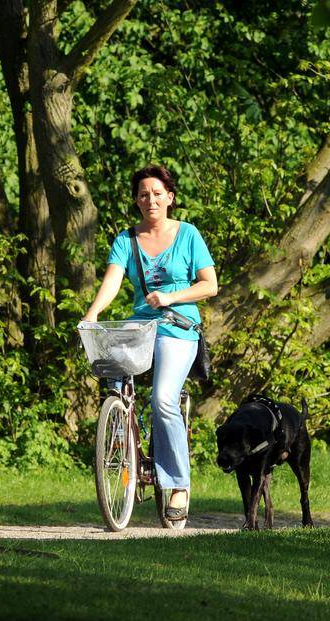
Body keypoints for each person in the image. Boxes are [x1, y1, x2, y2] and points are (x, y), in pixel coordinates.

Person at [81, 164, 218, 521]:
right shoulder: (126, 240)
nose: (151, 200)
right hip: (140, 327)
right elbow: (112, 281)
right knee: (114, 378)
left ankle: (178, 487)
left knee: (161, 399)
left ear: (170, 198)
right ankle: (123, 431)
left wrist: (172, 298)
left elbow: (210, 285)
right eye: (144, 194)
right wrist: (93, 313)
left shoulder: (188, 234)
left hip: (178, 327)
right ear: (137, 201)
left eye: (157, 193)